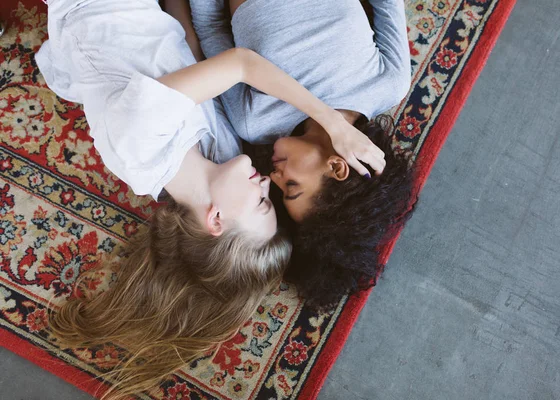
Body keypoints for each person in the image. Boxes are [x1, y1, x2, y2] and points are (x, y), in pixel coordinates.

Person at [35, 0, 384, 396]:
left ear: (215, 220)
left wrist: (332, 123)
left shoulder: (141, 144)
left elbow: (240, 63)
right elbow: (192, 49)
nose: (267, 183)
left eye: (261, 203)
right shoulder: (219, 153)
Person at [183, 0, 418, 309]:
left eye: (278, 192)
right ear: (337, 168)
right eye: (291, 187)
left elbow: (212, 29)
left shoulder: (254, 122)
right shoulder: (386, 86)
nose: (273, 177)